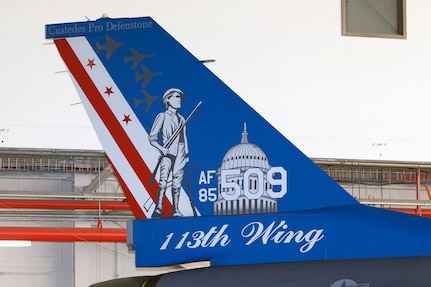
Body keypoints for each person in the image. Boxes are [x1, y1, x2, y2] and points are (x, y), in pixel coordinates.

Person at [148, 88, 188, 218]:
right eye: (176, 97)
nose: (179, 100)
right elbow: (152, 138)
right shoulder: (162, 116)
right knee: (163, 180)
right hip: (168, 151)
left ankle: (175, 209)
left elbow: (184, 137)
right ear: (168, 99)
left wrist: (186, 153)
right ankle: (159, 207)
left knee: (177, 181)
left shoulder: (182, 119)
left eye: (180, 98)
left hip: (180, 152)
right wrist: (162, 149)